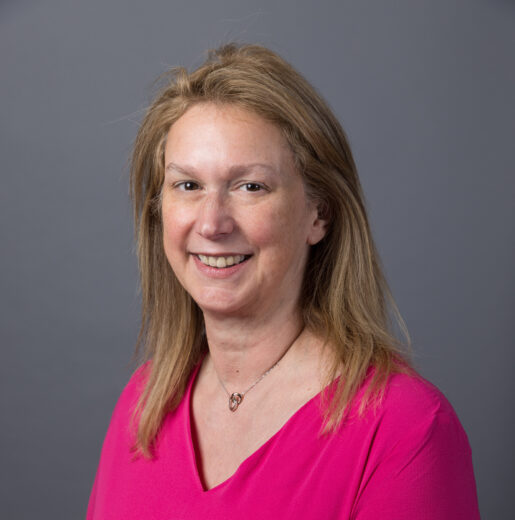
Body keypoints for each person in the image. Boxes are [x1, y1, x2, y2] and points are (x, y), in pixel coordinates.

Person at [87, 43, 480, 519]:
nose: (212, 223)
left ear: (320, 213)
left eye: (250, 186)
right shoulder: (145, 402)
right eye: (187, 185)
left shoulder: (404, 429)